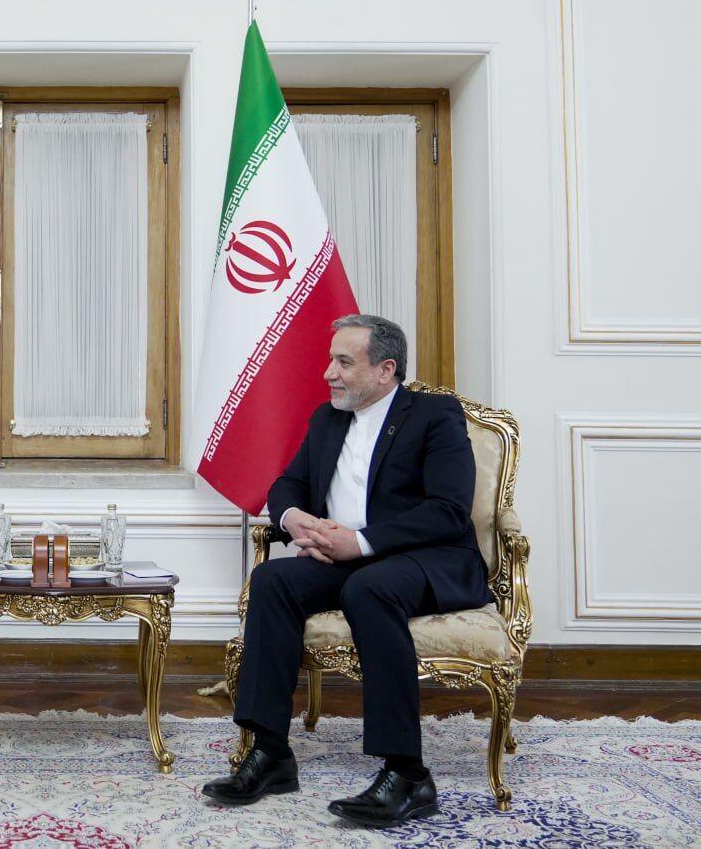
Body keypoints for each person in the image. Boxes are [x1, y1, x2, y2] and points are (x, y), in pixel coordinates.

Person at [202, 315, 491, 828]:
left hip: (425, 559)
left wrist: (359, 542)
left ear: (386, 369)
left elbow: (448, 510)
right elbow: (286, 485)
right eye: (330, 360)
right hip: (344, 557)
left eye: (343, 362)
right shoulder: (327, 419)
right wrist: (298, 522)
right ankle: (270, 754)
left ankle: (407, 773)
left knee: (370, 587)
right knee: (273, 581)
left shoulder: (433, 415)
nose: (328, 373)